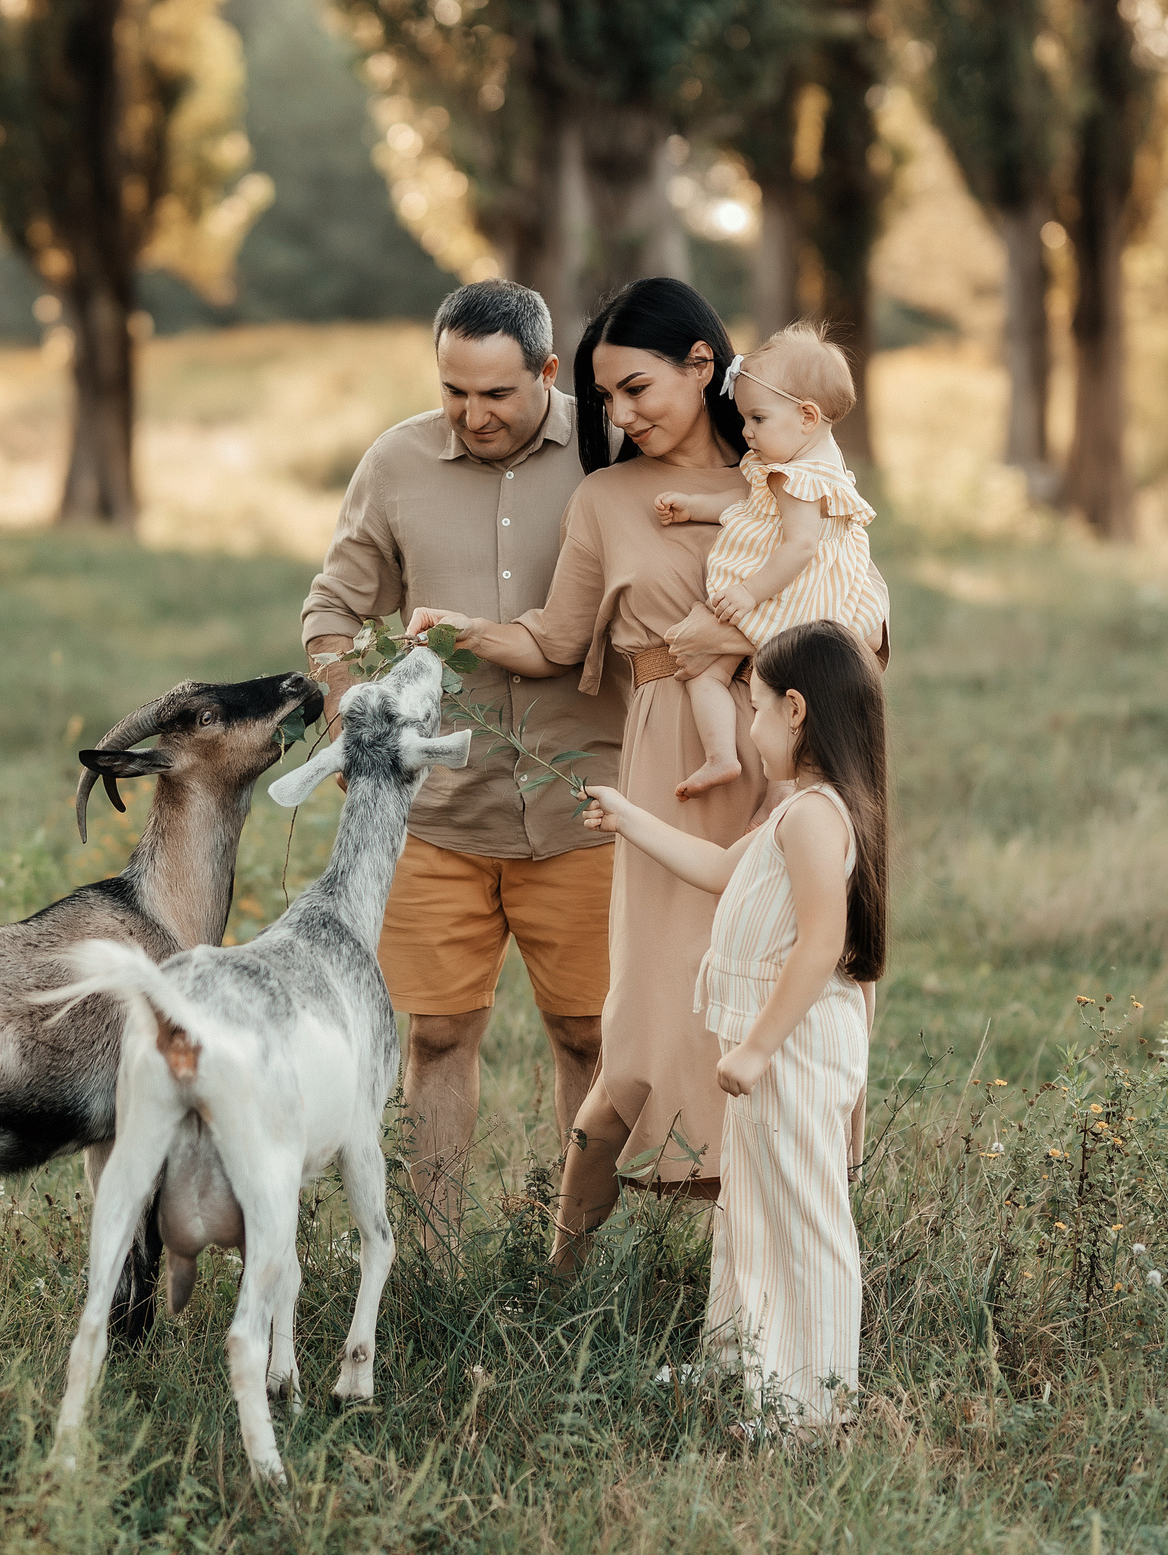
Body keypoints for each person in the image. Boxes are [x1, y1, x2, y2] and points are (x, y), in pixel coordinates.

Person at [406, 276, 781, 1240]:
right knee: (652, 1010)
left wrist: (730, 641)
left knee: (781, 984)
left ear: (703, 366)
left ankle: (765, 1233)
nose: (616, 415)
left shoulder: (783, 478)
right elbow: (555, 640)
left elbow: (859, 607)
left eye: (636, 390)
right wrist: (465, 632)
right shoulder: (606, 496)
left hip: (792, 752)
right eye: (604, 396)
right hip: (663, 766)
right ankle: (575, 1257)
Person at [301, 279, 624, 1251]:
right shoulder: (393, 463)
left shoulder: (612, 454)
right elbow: (334, 611)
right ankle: (432, 1265)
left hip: (587, 808)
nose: (472, 415)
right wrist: (344, 695)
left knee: (591, 1040)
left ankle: (581, 1259)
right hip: (438, 815)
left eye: (497, 394)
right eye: (454, 391)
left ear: (548, 373)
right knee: (435, 1038)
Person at [577, 620, 888, 1431]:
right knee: (750, 1210)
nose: (746, 731)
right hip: (770, 1049)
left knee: (803, 1219)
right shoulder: (799, 812)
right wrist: (629, 819)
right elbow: (723, 870)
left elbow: (824, 943)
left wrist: (755, 1048)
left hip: (785, 1048)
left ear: (794, 710)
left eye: (751, 710)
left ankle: (813, 1404)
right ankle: (742, 1365)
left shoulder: (817, 816)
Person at [652, 323, 889, 800]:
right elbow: (754, 514)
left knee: (709, 674)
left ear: (806, 416)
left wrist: (748, 592)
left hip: (785, 593)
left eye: (757, 418)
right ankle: (774, 796)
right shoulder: (823, 462)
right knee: (788, 709)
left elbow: (800, 546)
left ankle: (723, 758)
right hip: (817, 594)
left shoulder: (791, 475)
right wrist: (695, 508)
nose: (746, 432)